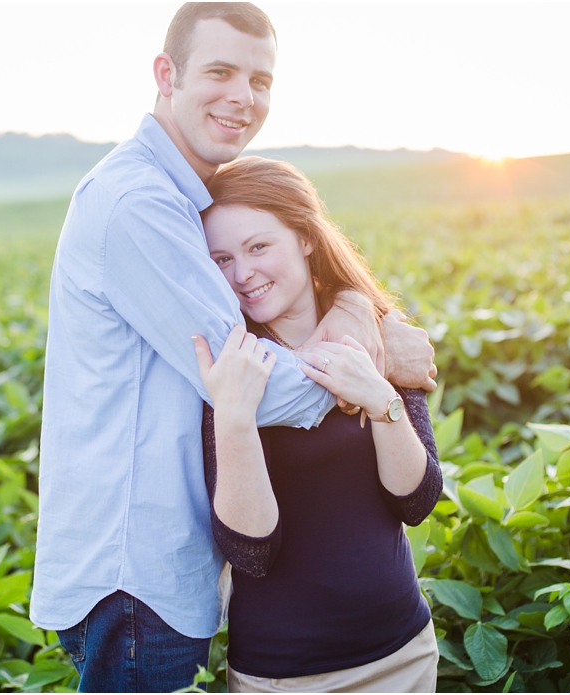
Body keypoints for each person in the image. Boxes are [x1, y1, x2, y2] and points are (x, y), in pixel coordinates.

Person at [30, 3, 437, 692]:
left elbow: (416, 492)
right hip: (137, 575)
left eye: (260, 79)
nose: (242, 98)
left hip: (162, 578)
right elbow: (259, 383)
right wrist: (374, 360)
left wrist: (353, 304)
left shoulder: (182, 199)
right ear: (166, 74)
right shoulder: (140, 203)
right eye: (219, 71)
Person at [193, 157, 443, 693]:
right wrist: (234, 421)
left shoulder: (378, 333)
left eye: (259, 247)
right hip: (284, 674)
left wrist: (383, 402)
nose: (243, 274)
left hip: (404, 652)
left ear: (306, 238)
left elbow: (416, 501)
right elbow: (250, 550)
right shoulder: (235, 363)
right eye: (221, 259)